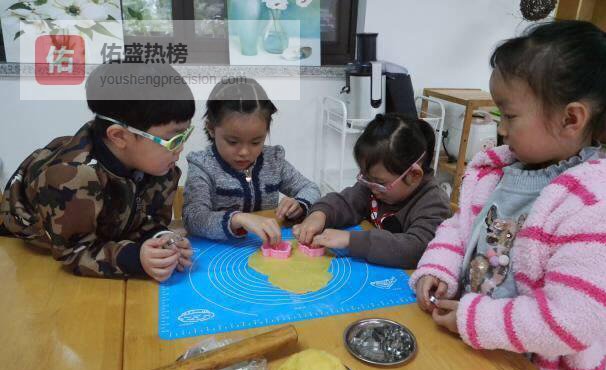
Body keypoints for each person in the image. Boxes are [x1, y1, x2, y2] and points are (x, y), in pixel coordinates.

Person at [411, 20, 606, 370]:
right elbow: (460, 228)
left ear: (571, 119)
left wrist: (474, 320)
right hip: (473, 354)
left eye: (510, 116)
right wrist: (439, 269)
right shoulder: (497, 172)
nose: (501, 129)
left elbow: (571, 322)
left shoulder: (602, 204)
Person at [0, 63, 195, 281]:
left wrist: (163, 240)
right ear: (119, 136)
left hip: (103, 234)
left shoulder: (159, 166)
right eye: (173, 140)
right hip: (26, 249)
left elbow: (148, 221)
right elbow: (74, 251)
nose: (180, 149)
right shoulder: (71, 178)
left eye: (185, 135)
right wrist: (135, 259)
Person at [294, 113, 450, 269]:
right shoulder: (372, 186)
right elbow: (346, 201)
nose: (372, 187)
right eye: (366, 178)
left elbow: (416, 249)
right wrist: (320, 214)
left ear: (414, 175)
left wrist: (351, 240)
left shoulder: (433, 202)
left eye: (380, 183)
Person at [183, 78, 320, 244]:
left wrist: (299, 204)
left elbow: (310, 188)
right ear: (211, 128)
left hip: (265, 246)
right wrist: (238, 219)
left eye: (256, 142)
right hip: (220, 251)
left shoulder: (273, 161)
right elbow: (193, 218)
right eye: (233, 142)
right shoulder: (202, 166)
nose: (244, 152)